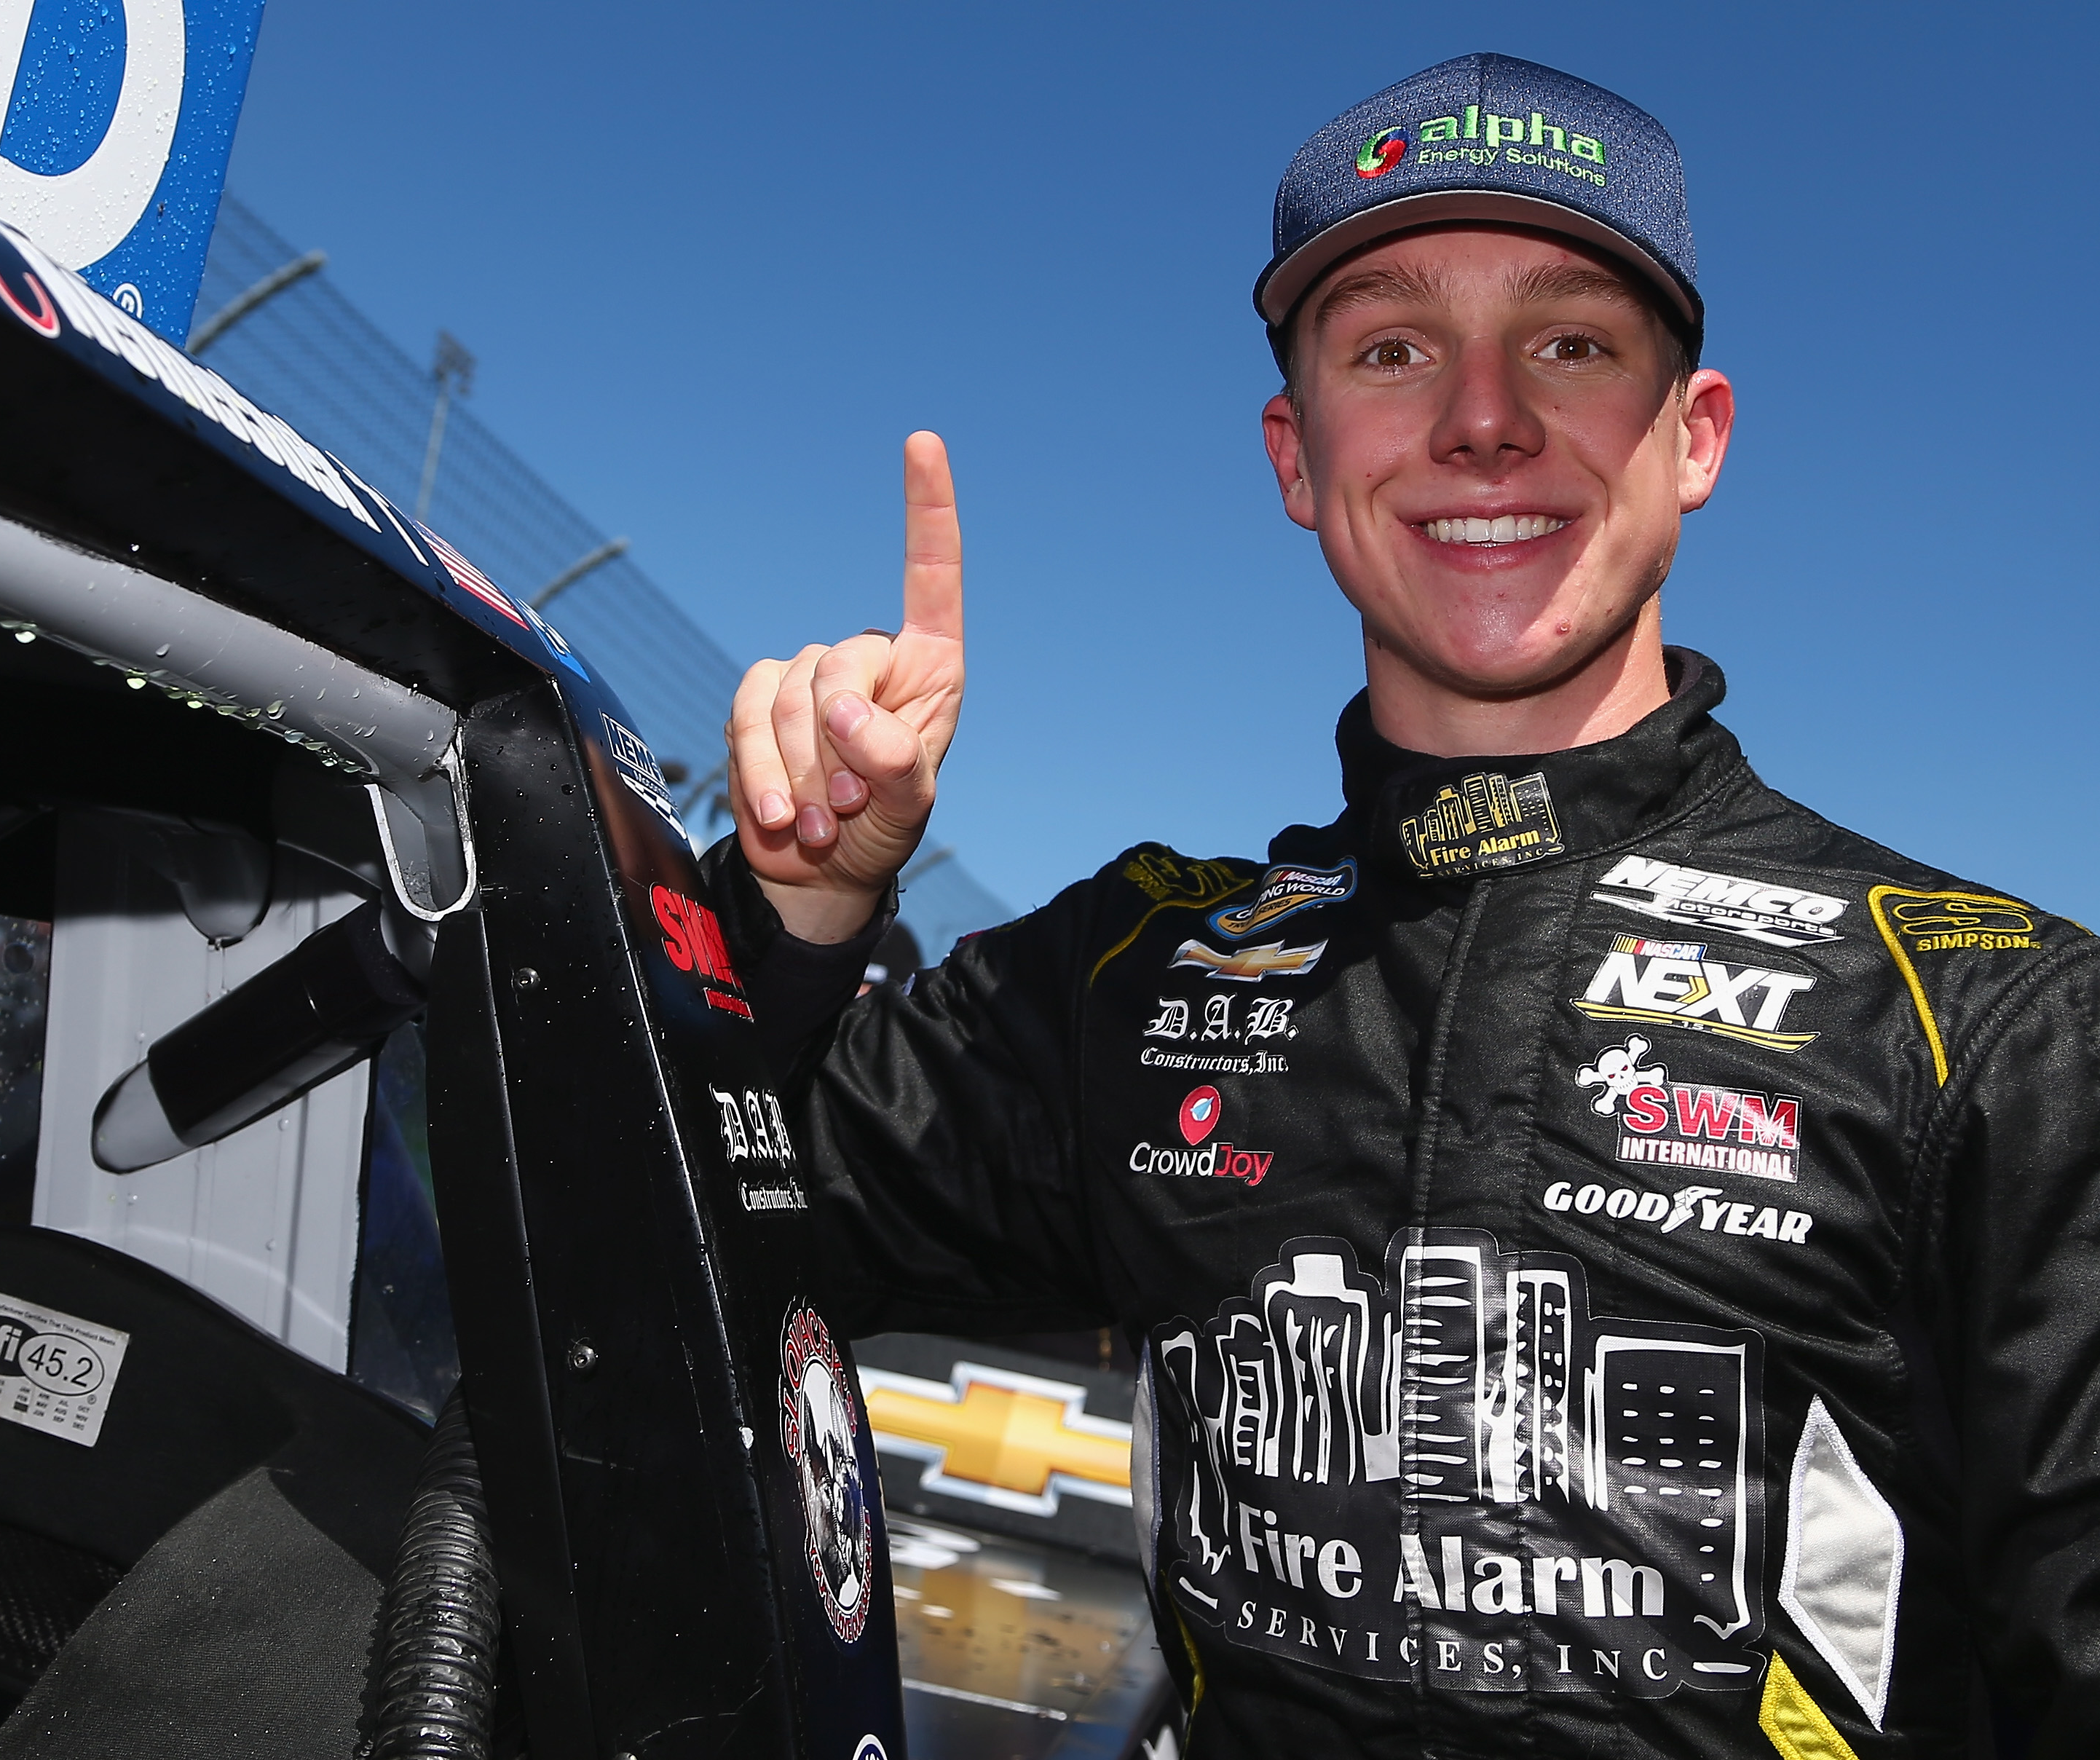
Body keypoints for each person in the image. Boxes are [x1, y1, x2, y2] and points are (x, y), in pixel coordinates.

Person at [707, 53, 2096, 1759]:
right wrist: (801, 904)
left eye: (1569, 344)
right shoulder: (1135, 975)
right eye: (1390, 350)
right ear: (1296, 456)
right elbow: (690, 1221)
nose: (1481, 417)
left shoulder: (1988, 1019)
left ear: (1695, 438)